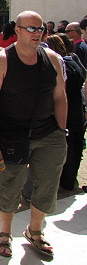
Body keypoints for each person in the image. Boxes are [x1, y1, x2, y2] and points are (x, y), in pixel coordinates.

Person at [0, 10, 67, 259]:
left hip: (48, 133)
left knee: (47, 184)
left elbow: (60, 96)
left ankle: (35, 231)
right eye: (31, 28)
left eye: (40, 29)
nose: (37, 33)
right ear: (17, 31)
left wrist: (61, 130)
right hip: (12, 134)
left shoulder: (51, 58)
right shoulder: (2, 60)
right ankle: (5, 233)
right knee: (9, 184)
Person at [45, 34, 86, 191]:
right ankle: (69, 181)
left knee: (67, 147)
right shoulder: (73, 61)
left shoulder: (62, 66)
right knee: (75, 146)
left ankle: (64, 181)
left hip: (66, 111)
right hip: (76, 110)